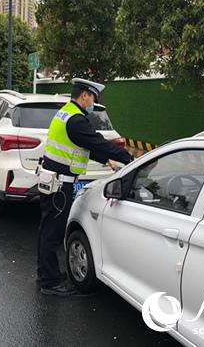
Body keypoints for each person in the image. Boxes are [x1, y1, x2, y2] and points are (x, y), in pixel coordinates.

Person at [37, 78, 133, 296]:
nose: (93, 102)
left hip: (52, 180)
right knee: (52, 233)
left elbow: (80, 147)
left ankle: (46, 274)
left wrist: (104, 159)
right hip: (60, 184)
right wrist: (127, 158)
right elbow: (96, 141)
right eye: (93, 98)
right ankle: (49, 283)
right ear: (85, 96)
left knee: (46, 230)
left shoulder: (65, 113)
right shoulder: (77, 120)